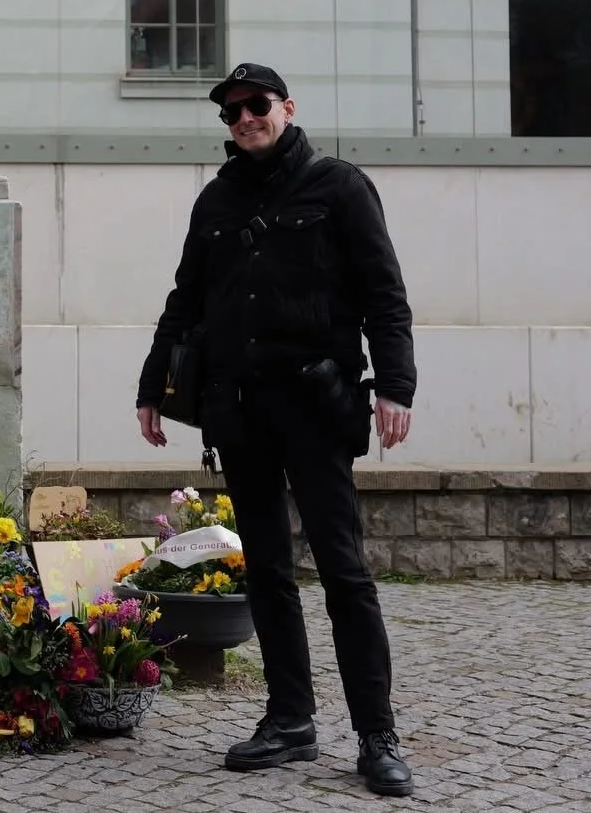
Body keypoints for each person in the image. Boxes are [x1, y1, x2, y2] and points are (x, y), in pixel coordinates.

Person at [135, 63, 417, 799]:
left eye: (255, 105)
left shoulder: (340, 187)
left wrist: (396, 386)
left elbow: (384, 294)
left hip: (316, 406)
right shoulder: (216, 199)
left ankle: (377, 734)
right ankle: (291, 719)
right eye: (231, 112)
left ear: (286, 107)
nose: (244, 119)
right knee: (265, 569)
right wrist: (153, 386)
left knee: (344, 571)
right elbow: (185, 299)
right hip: (239, 409)